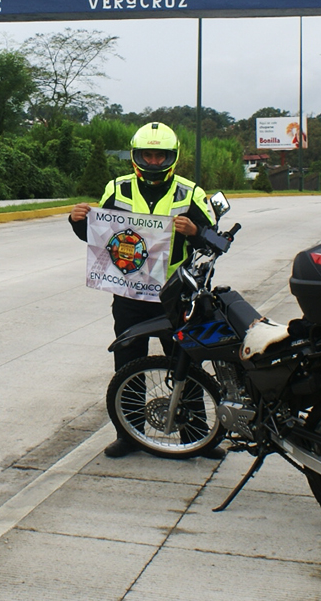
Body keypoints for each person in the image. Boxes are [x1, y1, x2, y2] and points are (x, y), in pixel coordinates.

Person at [69, 122, 219, 458]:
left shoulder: (190, 193)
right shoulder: (117, 188)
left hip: (175, 294)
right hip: (129, 294)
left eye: (160, 155)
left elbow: (214, 241)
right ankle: (129, 435)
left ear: (172, 157)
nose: (153, 162)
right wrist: (78, 220)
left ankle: (196, 435)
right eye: (147, 155)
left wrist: (195, 230)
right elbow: (98, 237)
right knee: (128, 362)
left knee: (185, 362)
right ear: (135, 157)